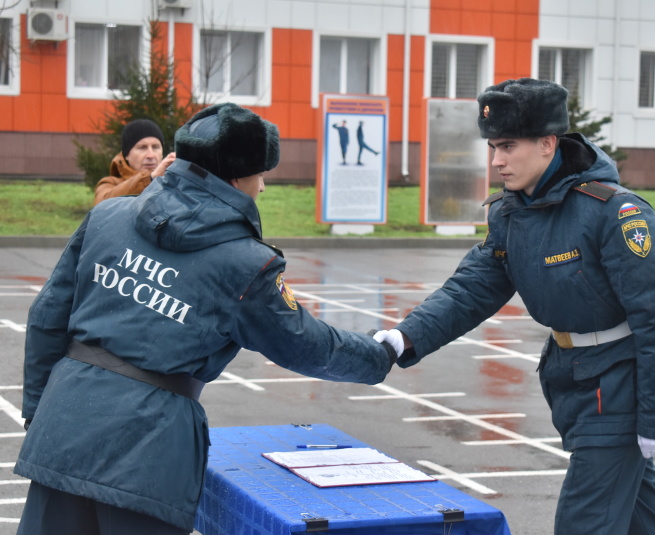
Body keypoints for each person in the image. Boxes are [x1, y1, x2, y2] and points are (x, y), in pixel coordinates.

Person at [15, 103, 396, 535]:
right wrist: (379, 354)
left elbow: (47, 316)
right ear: (234, 179)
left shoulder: (108, 216)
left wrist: (39, 412)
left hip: (62, 429)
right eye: (260, 174)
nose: (264, 187)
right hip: (147, 455)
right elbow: (307, 346)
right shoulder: (245, 264)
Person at [374, 78, 655, 534]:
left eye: (508, 146)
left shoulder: (613, 213)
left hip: (619, 388)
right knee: (641, 523)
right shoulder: (511, 212)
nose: (497, 161)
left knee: (583, 524)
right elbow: (472, 288)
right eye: (493, 147)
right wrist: (405, 336)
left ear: (547, 143)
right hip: (573, 381)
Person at [93, 118, 177, 205]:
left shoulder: (172, 183)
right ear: (126, 155)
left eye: (155, 147)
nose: (151, 155)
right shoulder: (110, 183)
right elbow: (102, 205)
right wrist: (150, 178)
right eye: (142, 147)